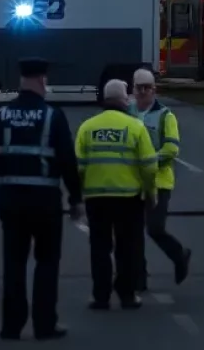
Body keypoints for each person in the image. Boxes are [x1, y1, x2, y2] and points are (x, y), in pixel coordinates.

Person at [0, 57, 82, 341]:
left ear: (22, 80)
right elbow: (68, 161)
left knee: (14, 262)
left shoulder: (1, 114)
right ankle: (44, 325)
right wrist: (75, 199)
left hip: (11, 199)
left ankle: (11, 326)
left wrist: (6, 169)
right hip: (46, 201)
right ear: (42, 80)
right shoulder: (52, 115)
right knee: (47, 262)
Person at [76, 78, 158, 310]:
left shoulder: (87, 127)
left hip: (96, 197)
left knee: (99, 248)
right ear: (124, 99)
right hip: (129, 197)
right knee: (127, 247)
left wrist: (79, 195)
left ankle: (100, 297)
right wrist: (150, 192)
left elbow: (79, 166)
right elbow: (149, 166)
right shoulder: (135, 127)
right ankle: (127, 295)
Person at [129, 69, 191, 291]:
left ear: (154, 89)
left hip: (159, 182)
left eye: (148, 87)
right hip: (132, 182)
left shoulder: (166, 115)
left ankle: (179, 254)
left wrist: (149, 160)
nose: (143, 92)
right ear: (133, 89)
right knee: (133, 231)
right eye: (139, 88)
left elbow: (172, 148)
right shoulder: (127, 113)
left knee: (155, 228)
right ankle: (139, 276)